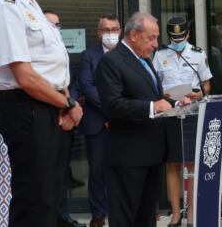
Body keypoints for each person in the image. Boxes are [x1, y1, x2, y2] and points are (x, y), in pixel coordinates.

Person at [0, 0, 83, 227]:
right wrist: (69, 102)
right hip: (27, 108)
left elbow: (53, 66)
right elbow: (25, 76)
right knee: (34, 197)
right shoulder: (7, 5)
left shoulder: (30, 4)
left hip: (48, 106)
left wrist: (63, 100)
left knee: (50, 193)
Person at [95, 12, 188, 227]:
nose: (156, 44)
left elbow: (152, 97)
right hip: (128, 156)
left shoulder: (144, 60)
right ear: (134, 35)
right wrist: (152, 107)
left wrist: (176, 104)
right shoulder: (112, 62)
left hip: (151, 154)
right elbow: (112, 105)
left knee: (146, 217)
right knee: (127, 217)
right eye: (151, 38)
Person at [152, 16, 212, 227]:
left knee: (192, 165)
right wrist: (166, 94)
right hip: (169, 114)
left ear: (187, 34)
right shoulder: (160, 55)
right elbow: (154, 85)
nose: (178, 41)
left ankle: (193, 212)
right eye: (174, 38)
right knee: (173, 164)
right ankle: (176, 214)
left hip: (193, 113)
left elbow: (206, 85)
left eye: (181, 37)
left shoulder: (197, 54)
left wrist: (194, 94)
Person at [43, 10, 87, 227]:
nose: (55, 28)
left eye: (58, 25)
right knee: (44, 173)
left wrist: (72, 109)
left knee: (61, 172)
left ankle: (62, 216)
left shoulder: (62, 52)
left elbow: (71, 83)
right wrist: (64, 108)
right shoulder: (36, 52)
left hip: (66, 121)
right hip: (47, 120)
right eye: (51, 24)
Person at [79, 14, 121, 227]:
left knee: (123, 169)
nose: (110, 34)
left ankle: (121, 212)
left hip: (124, 123)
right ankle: (98, 214)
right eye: (106, 30)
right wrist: (112, 107)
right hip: (97, 122)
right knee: (97, 171)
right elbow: (86, 85)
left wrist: (121, 109)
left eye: (114, 29)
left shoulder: (128, 55)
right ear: (98, 33)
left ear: (120, 31)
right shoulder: (89, 55)